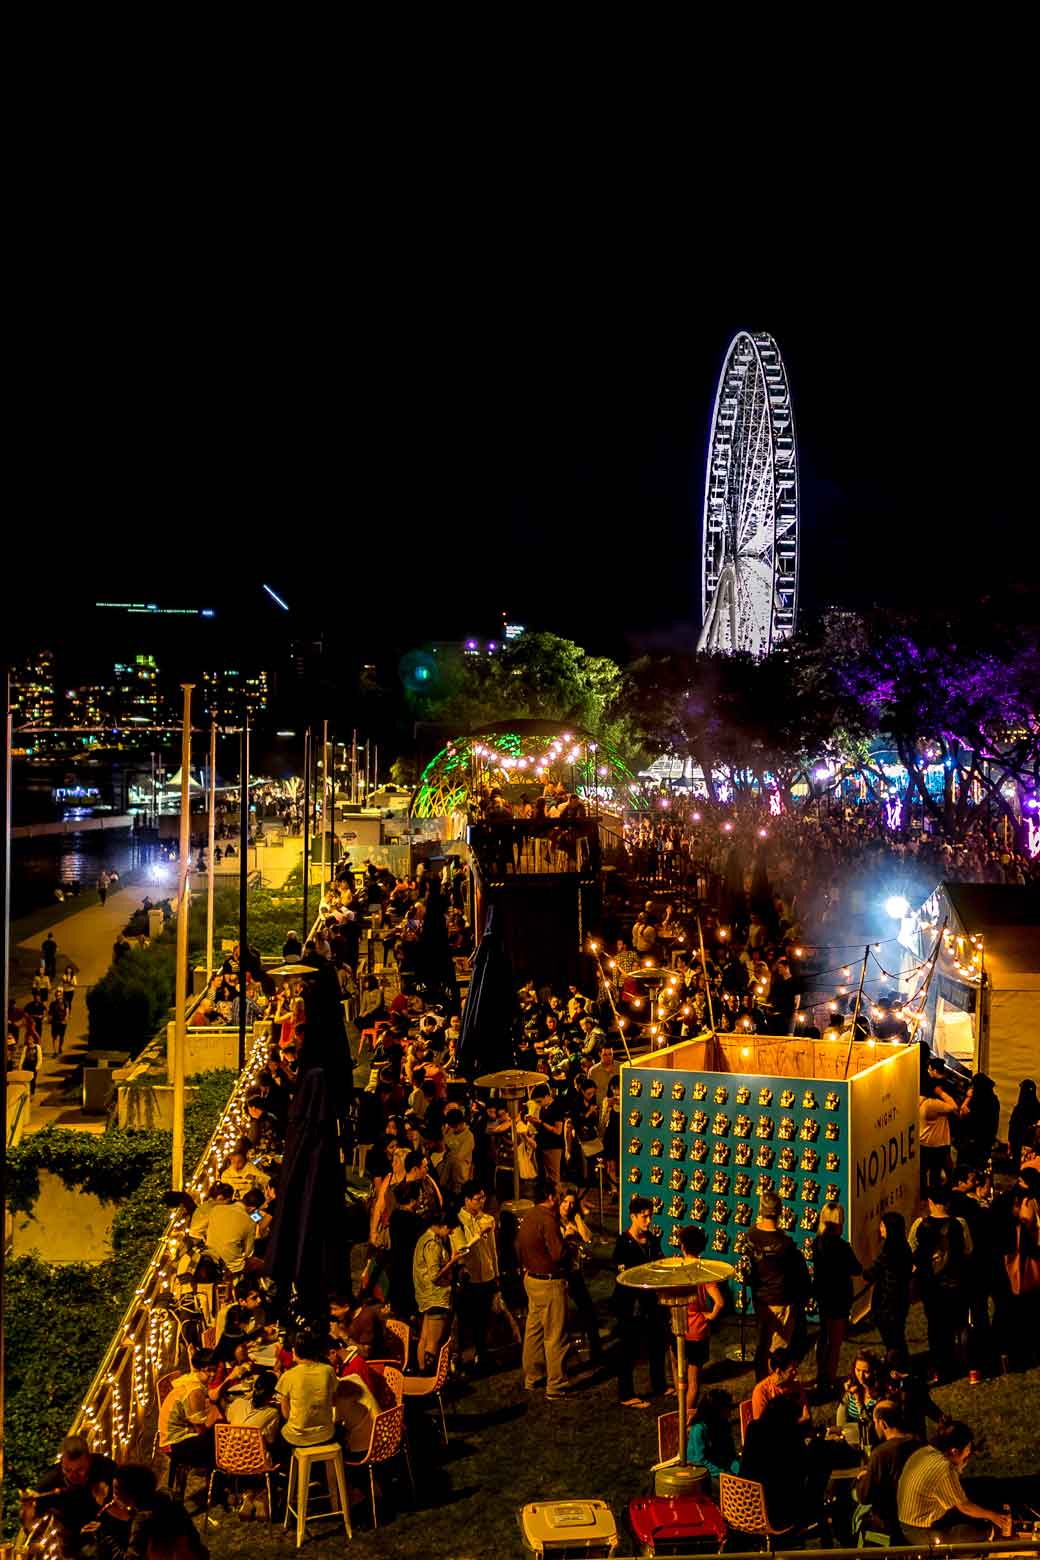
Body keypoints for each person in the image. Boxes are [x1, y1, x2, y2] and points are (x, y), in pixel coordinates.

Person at [897, 1420, 1012, 1543]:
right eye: (967, 1450)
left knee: (976, 1492)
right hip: (919, 1530)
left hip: (908, 1521)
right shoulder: (944, 1469)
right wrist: (993, 1517)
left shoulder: (925, 1451)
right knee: (974, 1533)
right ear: (954, 1451)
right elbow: (964, 1506)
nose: (968, 1453)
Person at [738, 1190, 810, 1379]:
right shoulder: (785, 1244)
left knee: (763, 1343)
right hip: (780, 1301)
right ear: (780, 1212)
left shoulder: (751, 1234)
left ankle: (761, 1384)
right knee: (779, 1349)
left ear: (761, 1210)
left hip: (760, 1299)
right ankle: (773, 1389)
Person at [739, 1393, 830, 1532]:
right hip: (778, 1512)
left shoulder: (753, 1428)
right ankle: (813, 1512)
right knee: (821, 1456)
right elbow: (802, 1468)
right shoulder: (788, 1435)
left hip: (745, 1504)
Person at [909, 1188, 972, 1383]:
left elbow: (911, 1248)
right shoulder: (959, 1224)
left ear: (930, 1201)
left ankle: (938, 1366)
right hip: (955, 1282)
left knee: (936, 1327)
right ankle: (962, 1362)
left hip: (931, 1285)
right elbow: (969, 1249)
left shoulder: (920, 1225)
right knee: (959, 1323)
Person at [517, 1179, 572, 1400]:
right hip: (549, 1282)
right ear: (550, 1196)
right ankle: (556, 1385)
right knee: (555, 1335)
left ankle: (532, 1376)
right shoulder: (548, 1220)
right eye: (557, 1194)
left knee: (534, 1330)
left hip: (531, 1279)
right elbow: (559, 1254)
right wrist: (568, 1239)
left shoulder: (529, 1215)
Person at [612, 1194, 668, 1408]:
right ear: (632, 1217)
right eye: (644, 1217)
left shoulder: (652, 1240)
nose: (648, 1221)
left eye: (650, 1216)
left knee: (656, 1346)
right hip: (631, 1306)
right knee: (629, 1350)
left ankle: (659, 1385)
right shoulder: (623, 1243)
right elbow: (625, 1276)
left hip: (652, 1303)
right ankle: (626, 1394)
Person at [674, 1224, 724, 1418]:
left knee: (680, 1377)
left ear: (683, 1246)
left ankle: (679, 1415)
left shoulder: (677, 1268)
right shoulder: (703, 1271)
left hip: (678, 1330)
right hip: (697, 1331)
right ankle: (685, 1419)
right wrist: (710, 1315)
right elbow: (719, 1302)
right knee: (694, 1382)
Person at [811, 1202, 862, 1396]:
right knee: (835, 1342)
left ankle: (821, 1374)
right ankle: (828, 1380)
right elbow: (856, 1269)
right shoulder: (842, 1247)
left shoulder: (818, 1243)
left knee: (824, 1337)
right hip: (839, 1297)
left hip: (823, 1296)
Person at [854, 1398, 921, 1542]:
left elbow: (865, 1496)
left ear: (883, 1423)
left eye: (875, 1422)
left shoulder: (882, 1453)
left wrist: (862, 1478)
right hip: (919, 1518)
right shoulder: (920, 1445)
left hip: (891, 1524)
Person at [34, 1434, 116, 1551]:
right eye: (67, 1470)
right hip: (71, 1545)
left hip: (108, 1535)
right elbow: (34, 1517)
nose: (73, 1476)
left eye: (80, 1470)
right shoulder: (51, 1483)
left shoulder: (106, 1469)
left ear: (89, 1460)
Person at [275, 1329, 337, 1463]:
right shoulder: (328, 1371)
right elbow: (332, 1400)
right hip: (326, 1433)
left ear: (295, 1351)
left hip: (297, 1437)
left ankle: (289, 1477)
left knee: (276, 1433)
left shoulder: (288, 1376)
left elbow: (286, 1414)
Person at [863, 1211, 914, 1367]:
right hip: (901, 1299)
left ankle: (897, 1366)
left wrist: (862, 1271)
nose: (880, 1229)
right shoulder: (904, 1246)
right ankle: (901, 1361)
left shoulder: (889, 1249)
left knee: (892, 1338)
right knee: (898, 1334)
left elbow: (872, 1272)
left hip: (887, 1302)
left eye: (883, 1225)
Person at [413, 1210, 459, 1372]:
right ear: (443, 1226)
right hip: (436, 1297)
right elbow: (434, 1275)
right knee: (433, 1340)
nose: (451, 1233)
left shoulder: (424, 1239)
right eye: (450, 1229)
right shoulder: (432, 1244)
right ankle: (429, 1373)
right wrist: (452, 1261)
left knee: (424, 1338)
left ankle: (421, 1369)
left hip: (426, 1296)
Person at [189, 1182, 256, 1275]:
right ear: (220, 1198)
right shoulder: (215, 1209)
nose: (229, 1203)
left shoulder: (210, 1206)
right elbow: (249, 1252)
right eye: (228, 1201)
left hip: (211, 1249)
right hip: (209, 1250)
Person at [918, 1066, 958, 1194]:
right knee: (935, 1173)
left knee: (923, 1172)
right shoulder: (932, 1104)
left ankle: (924, 1196)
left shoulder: (919, 1101)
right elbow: (953, 1106)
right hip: (936, 1144)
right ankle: (935, 1198)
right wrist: (941, 1093)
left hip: (923, 1141)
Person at [685, 1387, 740, 1480]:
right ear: (716, 1411)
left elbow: (730, 1455)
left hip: (720, 1467)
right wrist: (724, 1475)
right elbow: (701, 1461)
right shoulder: (698, 1430)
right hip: (701, 1473)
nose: (730, 1412)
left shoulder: (724, 1424)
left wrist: (739, 1470)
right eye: (727, 1408)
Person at [750, 1346, 810, 1424]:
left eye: (796, 1368)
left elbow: (806, 1415)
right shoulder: (761, 1391)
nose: (796, 1372)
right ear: (778, 1371)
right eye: (792, 1370)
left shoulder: (795, 1386)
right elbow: (762, 1427)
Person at [956, 1073, 999, 1172]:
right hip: (986, 1140)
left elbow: (962, 1112)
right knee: (981, 1168)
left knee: (967, 1168)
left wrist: (968, 1097)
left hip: (972, 1140)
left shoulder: (976, 1100)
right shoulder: (993, 1099)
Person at [1007, 1079, 1040, 1169]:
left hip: (1018, 1144)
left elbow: (1012, 1126)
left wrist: (1009, 1144)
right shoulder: (1038, 1107)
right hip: (1032, 1145)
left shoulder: (1019, 1108)